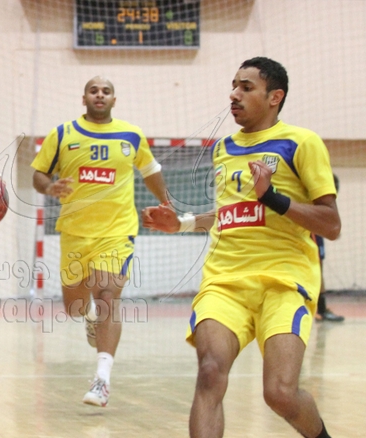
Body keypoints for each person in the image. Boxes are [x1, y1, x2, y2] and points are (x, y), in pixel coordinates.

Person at [143, 57, 340, 437]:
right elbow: (229, 214)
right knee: (210, 372)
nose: (234, 94)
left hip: (284, 281)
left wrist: (273, 198)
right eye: (233, 86)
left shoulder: (301, 142)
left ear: (274, 97)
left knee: (280, 393)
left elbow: (331, 224)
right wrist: (181, 223)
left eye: (246, 87)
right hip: (225, 281)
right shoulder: (224, 148)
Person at [31, 76, 169, 407]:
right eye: (94, 90)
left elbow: (150, 170)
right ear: (84, 98)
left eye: (106, 91)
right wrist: (49, 187)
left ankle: (102, 379)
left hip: (117, 231)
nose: (100, 95)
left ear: (114, 100)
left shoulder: (131, 135)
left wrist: (167, 202)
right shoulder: (62, 134)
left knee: (107, 294)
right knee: (75, 307)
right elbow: (38, 174)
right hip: (75, 232)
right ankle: (89, 316)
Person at [314, 174, 344, 322]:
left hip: (315, 234)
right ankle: (321, 309)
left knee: (319, 269)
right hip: (310, 235)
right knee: (317, 268)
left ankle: (321, 309)